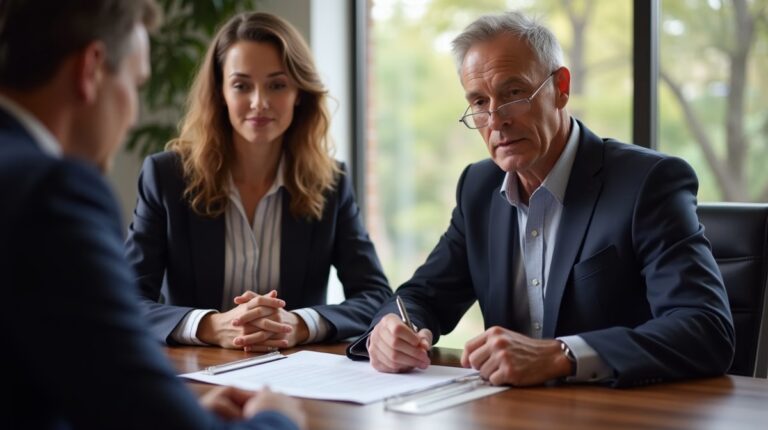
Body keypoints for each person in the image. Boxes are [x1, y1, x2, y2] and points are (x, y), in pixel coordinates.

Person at [350, 11, 735, 388]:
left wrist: (561, 355)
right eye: (479, 102)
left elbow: (705, 327)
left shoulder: (647, 183)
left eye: (514, 93)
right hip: (510, 411)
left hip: (619, 411)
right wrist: (392, 329)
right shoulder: (479, 187)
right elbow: (422, 296)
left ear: (561, 88)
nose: (496, 120)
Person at [0, 1, 304, 428]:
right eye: (136, 83)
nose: (133, 117)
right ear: (91, 69)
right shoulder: (52, 193)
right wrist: (276, 418)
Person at [124, 12, 390, 353]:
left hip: (295, 373)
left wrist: (300, 324)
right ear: (220, 92)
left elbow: (376, 296)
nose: (259, 102)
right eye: (241, 85)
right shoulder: (166, 177)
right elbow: (127, 299)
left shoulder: (330, 183)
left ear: (299, 93)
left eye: (277, 85)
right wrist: (209, 325)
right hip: (195, 372)